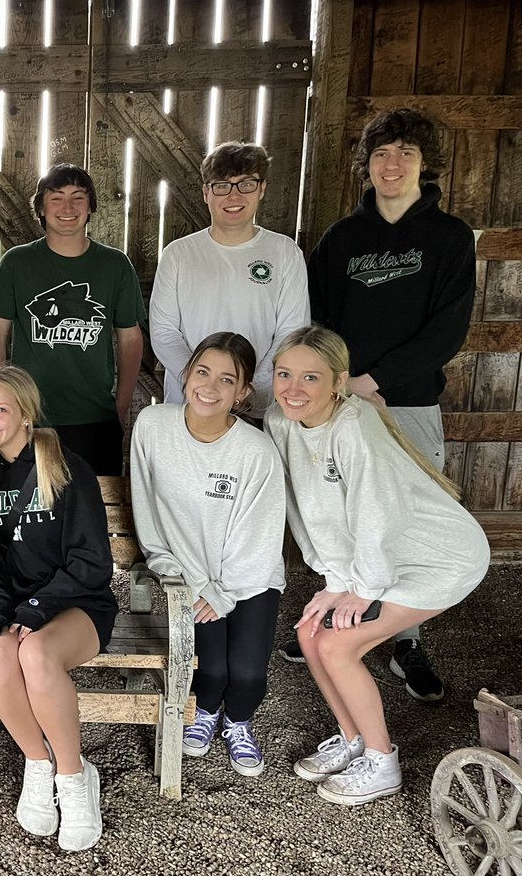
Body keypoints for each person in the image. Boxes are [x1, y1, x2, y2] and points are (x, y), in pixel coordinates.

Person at [266, 325, 488, 806]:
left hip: (437, 556)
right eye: (284, 374)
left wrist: (362, 588)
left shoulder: (354, 425)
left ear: (338, 381)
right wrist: (334, 581)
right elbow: (304, 509)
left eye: (310, 377)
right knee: (308, 634)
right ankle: (354, 741)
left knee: (338, 646)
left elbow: (375, 513)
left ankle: (383, 762)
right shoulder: (280, 421)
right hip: (377, 558)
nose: (293, 389)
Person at [300, 108, 476, 701]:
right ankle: (342, 616)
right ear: (366, 166)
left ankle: (407, 642)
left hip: (407, 403)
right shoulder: (342, 240)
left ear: (425, 165)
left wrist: (377, 379)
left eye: (404, 153)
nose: (391, 164)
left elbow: (447, 331)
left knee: (406, 519)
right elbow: (318, 320)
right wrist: (338, 383)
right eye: (380, 154)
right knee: (345, 508)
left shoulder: (448, 237)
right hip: (342, 404)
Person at [0, 365, 117, 851]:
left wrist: (35, 607)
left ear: (26, 415)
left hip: (76, 605)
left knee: (35, 655)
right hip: (16, 606)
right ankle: (38, 763)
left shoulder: (65, 467)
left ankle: (75, 779)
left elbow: (92, 562)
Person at [130, 332, 286, 777]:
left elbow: (260, 534)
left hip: (250, 576)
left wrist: (225, 591)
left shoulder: (255, 451)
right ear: (185, 373)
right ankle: (206, 711)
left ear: (242, 392)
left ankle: (238, 722)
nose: (210, 387)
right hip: (191, 576)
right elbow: (147, 506)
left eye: (226, 379)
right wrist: (168, 567)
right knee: (211, 668)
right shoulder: (153, 426)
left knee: (249, 675)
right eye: (202, 372)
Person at [0, 164, 145, 475]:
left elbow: (130, 338)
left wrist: (119, 407)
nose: (67, 208)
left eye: (77, 197)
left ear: (90, 206)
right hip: (29, 415)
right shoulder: (18, 262)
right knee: (27, 515)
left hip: (94, 419)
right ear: (41, 208)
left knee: (94, 514)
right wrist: (2, 403)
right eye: (56, 198)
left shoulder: (114, 265)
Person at [149, 141, 310, 419]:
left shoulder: (284, 252)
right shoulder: (179, 254)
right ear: (205, 193)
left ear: (261, 189)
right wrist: (200, 383)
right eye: (222, 186)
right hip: (189, 405)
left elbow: (292, 331)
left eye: (246, 184)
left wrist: (247, 387)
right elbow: (164, 332)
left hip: (258, 405)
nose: (233, 196)